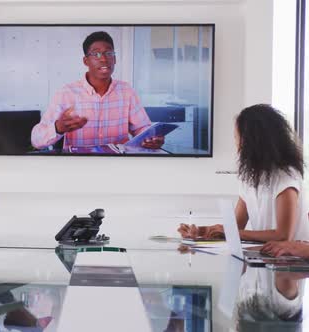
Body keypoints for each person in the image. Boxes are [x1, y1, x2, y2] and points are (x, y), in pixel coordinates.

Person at [178, 104, 309, 242]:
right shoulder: (250, 177)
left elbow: (283, 235)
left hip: (293, 260)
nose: (236, 144)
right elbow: (235, 226)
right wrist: (200, 231)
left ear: (252, 141)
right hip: (269, 256)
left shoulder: (286, 177)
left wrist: (231, 232)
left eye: (237, 137)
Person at [30, 31, 164, 151]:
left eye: (109, 53)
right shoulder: (66, 93)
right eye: (96, 54)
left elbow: (142, 129)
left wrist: (151, 139)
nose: (104, 59)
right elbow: (36, 140)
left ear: (115, 59)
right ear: (85, 61)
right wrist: (58, 128)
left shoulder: (126, 91)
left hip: (119, 166)